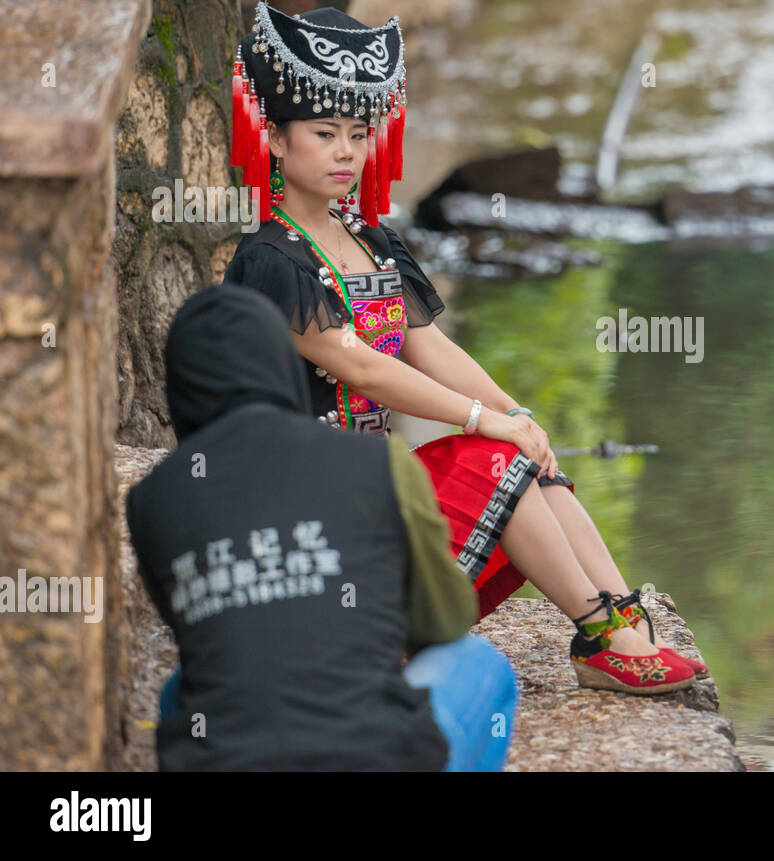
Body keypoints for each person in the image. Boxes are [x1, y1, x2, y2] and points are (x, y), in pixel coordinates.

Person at [222, 0, 706, 693]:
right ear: (272, 138)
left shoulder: (372, 239)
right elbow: (361, 364)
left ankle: (619, 615)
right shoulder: (272, 260)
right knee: (497, 451)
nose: (345, 152)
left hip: (378, 495)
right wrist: (482, 421)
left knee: (525, 449)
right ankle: (600, 635)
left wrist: (516, 412)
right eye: (324, 132)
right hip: (315, 524)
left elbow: (428, 346)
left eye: (357, 134)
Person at [126, 284, 517, 770]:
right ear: (282, 363)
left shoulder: (153, 499)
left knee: (180, 689)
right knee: (481, 664)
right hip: (377, 756)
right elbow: (442, 622)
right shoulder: (374, 459)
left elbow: (203, 633)